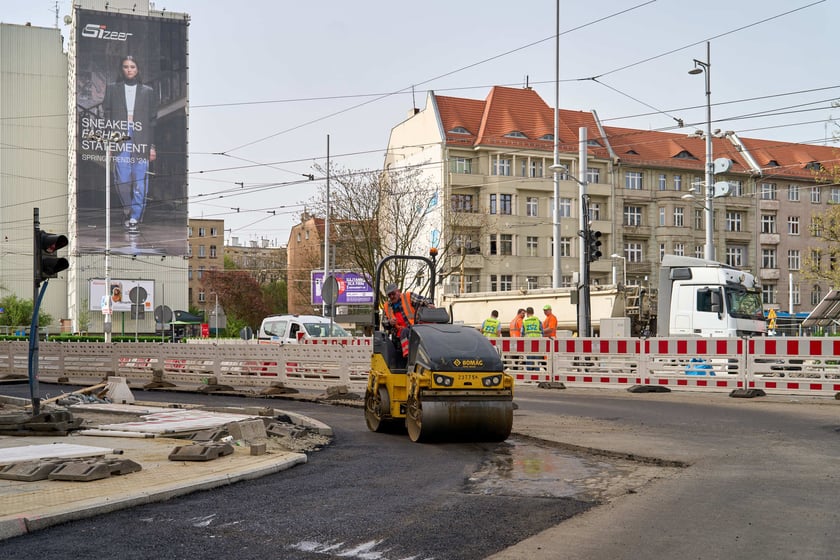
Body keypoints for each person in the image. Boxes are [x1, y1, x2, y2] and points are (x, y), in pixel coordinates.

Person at [102, 55, 158, 235]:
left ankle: (135, 216)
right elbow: (107, 117)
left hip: (141, 135)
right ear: (121, 69)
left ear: (137, 69)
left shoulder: (147, 91)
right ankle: (127, 207)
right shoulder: (112, 89)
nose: (129, 69)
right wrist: (109, 141)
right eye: (126, 66)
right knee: (122, 178)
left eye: (133, 66)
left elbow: (152, 121)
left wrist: (152, 146)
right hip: (120, 134)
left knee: (140, 179)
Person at [382, 283, 433, 358]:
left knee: (405, 332)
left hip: (414, 330)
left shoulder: (408, 297)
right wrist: (389, 322)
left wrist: (429, 304)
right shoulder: (387, 306)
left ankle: (409, 356)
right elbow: (384, 322)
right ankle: (407, 356)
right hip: (397, 336)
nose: (392, 296)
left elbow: (423, 300)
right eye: (389, 295)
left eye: (393, 293)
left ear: (398, 291)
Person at [521, 307, 543, 371]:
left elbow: (522, 333)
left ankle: (529, 376)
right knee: (536, 360)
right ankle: (537, 374)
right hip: (537, 342)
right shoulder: (538, 320)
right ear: (533, 312)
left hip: (528, 342)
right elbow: (542, 331)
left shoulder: (525, 321)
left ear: (527, 313)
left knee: (529, 360)